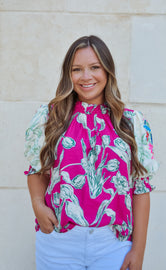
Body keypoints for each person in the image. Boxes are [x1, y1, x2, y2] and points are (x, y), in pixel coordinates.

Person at [24, 35, 158, 270]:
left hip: (113, 244)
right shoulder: (49, 117)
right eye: (77, 69)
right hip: (58, 242)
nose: (86, 77)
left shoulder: (131, 122)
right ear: (68, 74)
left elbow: (140, 188)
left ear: (107, 71)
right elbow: (37, 168)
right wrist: (37, 203)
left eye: (94, 67)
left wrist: (138, 250)